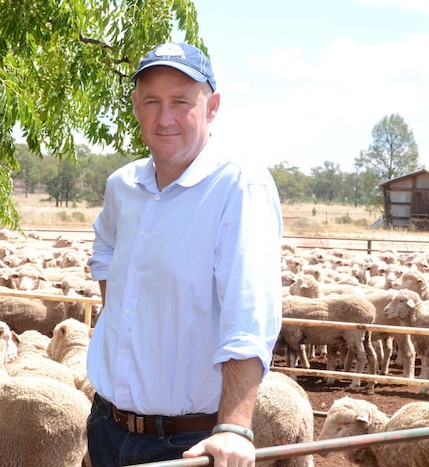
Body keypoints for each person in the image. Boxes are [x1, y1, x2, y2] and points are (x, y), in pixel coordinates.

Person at [85, 41, 284, 466]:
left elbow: (248, 317)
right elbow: (104, 252)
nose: (165, 117)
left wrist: (233, 427)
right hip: (106, 426)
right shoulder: (122, 186)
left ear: (212, 107)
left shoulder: (239, 185)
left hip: (185, 445)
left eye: (180, 101)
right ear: (136, 107)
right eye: (152, 101)